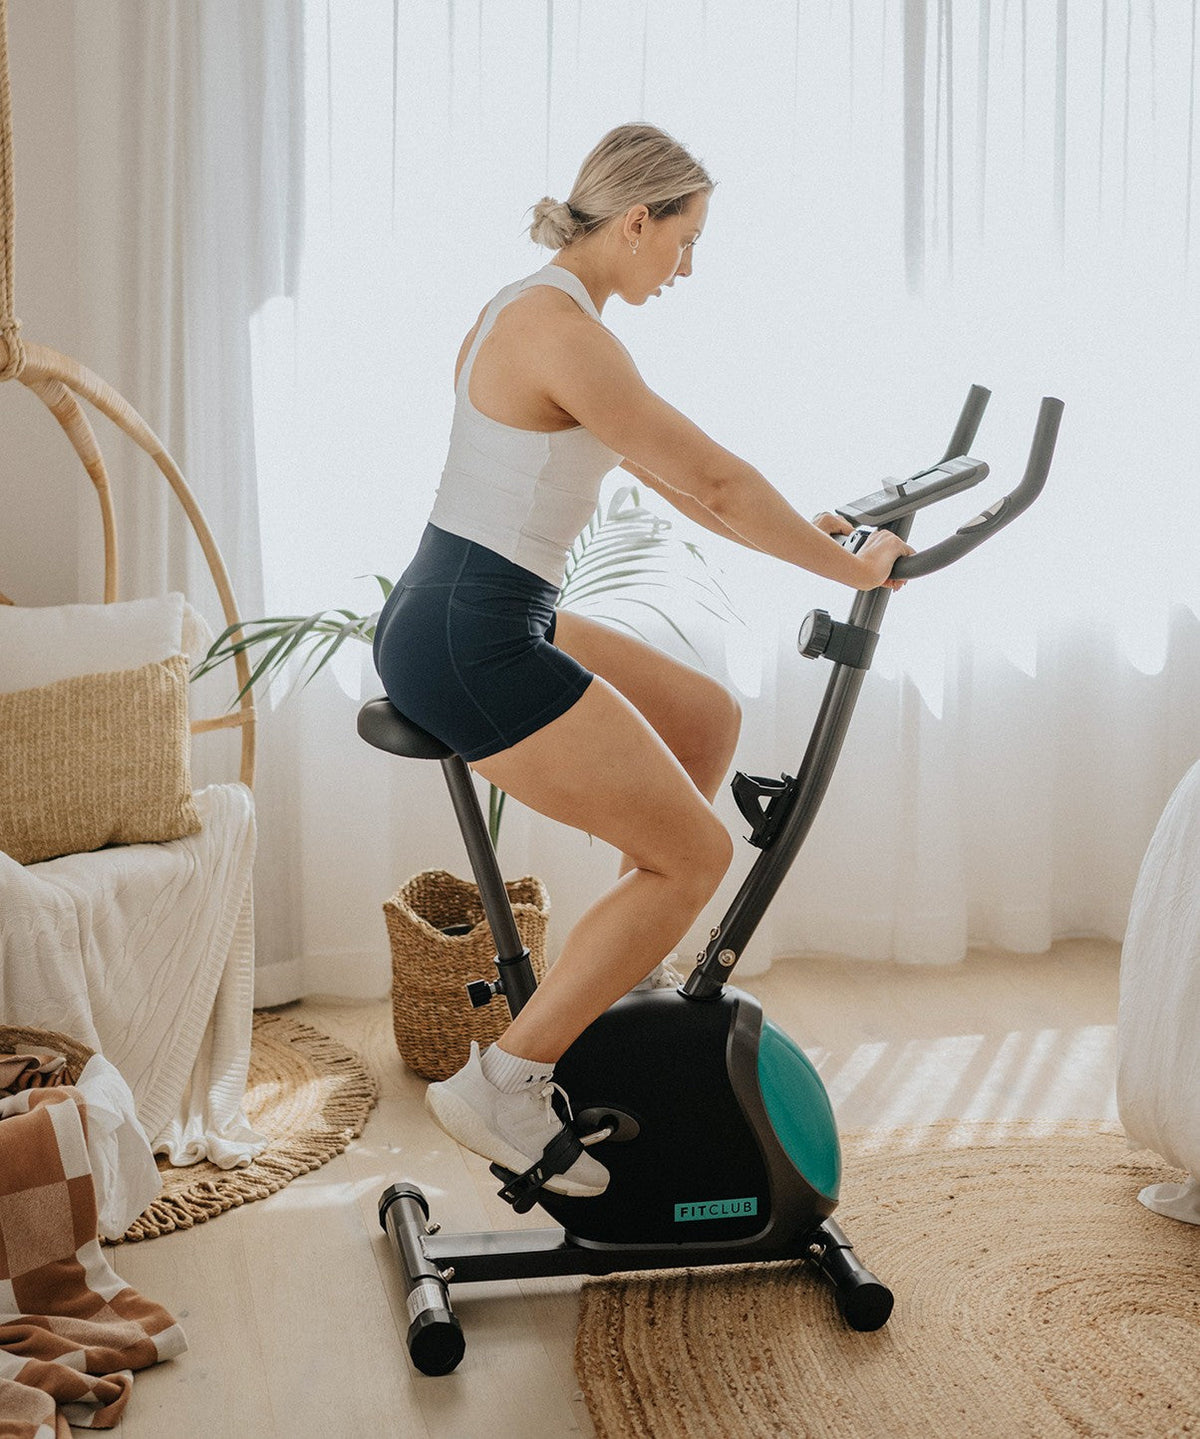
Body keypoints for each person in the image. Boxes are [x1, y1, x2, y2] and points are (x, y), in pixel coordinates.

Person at [372, 122, 912, 1199]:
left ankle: (618, 974)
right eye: (685, 239)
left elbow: (675, 478)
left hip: (475, 606)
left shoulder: (540, 312)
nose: (687, 266)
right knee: (694, 857)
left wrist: (812, 534)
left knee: (704, 717)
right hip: (471, 630)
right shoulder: (563, 333)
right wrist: (849, 570)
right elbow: (715, 481)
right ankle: (505, 1082)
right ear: (635, 221)